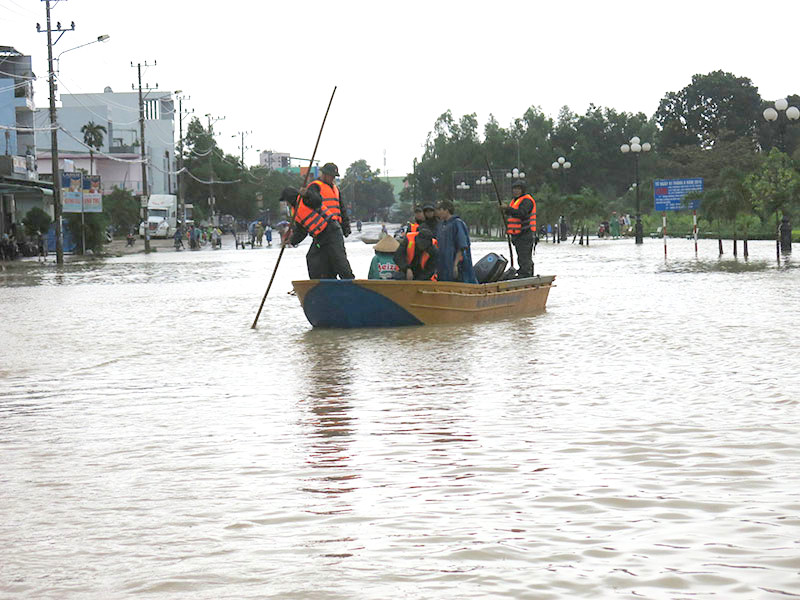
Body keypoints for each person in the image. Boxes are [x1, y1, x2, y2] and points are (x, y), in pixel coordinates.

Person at [281, 187, 354, 280]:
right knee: (312, 258)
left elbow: (317, 200)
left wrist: (307, 194)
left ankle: (349, 281)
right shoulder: (295, 212)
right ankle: (318, 283)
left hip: (331, 231)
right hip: (319, 238)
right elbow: (301, 231)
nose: (286, 203)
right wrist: (290, 240)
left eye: (286, 201)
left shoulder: (305, 199)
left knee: (338, 259)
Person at [302, 162, 351, 238]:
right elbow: (311, 203)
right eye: (331, 176)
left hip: (336, 227)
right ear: (324, 174)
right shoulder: (315, 186)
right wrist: (306, 195)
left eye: (334, 176)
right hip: (322, 229)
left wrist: (346, 226)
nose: (333, 178)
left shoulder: (336, 189)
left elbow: (342, 208)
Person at [435, 199, 477, 283]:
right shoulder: (441, 226)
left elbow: (462, 246)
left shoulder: (457, 224)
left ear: (446, 210)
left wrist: (455, 265)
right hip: (443, 266)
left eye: (440, 210)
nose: (438, 213)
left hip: (457, 266)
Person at [503, 180, 536, 278]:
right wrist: (506, 210)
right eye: (514, 189)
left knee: (524, 257)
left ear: (523, 190)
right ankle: (524, 272)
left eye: (518, 189)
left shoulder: (527, 200)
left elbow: (522, 213)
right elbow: (513, 214)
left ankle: (525, 274)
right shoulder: (515, 201)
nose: (515, 191)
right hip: (517, 235)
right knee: (521, 256)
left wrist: (508, 209)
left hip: (525, 234)